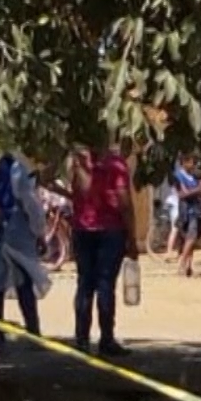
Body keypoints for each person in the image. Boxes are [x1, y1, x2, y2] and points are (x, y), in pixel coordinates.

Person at [68, 140, 138, 357]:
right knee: (105, 285)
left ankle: (81, 339)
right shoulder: (116, 165)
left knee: (85, 284)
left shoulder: (77, 163)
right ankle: (106, 339)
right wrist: (132, 238)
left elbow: (77, 192)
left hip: (83, 230)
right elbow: (125, 203)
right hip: (110, 231)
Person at [0, 151, 51, 348]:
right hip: (17, 231)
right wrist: (39, 231)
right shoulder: (17, 168)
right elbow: (29, 202)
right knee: (23, 281)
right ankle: (32, 331)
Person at [171, 154, 201, 277]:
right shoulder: (179, 176)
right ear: (184, 163)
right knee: (190, 238)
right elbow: (182, 194)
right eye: (191, 162)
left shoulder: (193, 176)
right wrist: (197, 190)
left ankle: (188, 266)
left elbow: (200, 191)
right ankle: (182, 262)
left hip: (195, 210)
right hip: (187, 210)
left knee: (190, 239)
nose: (193, 165)